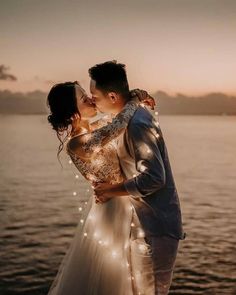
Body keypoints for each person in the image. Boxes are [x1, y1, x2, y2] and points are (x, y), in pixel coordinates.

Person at [46, 80, 155, 295]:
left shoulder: (97, 127)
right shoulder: (75, 143)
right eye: (82, 98)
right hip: (111, 209)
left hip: (124, 199)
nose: (90, 98)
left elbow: (119, 115)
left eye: (86, 94)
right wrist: (134, 98)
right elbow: (120, 124)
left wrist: (136, 95)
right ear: (72, 111)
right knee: (112, 275)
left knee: (133, 271)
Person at [90, 61, 186, 295]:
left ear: (112, 96)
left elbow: (154, 178)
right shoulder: (126, 118)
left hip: (155, 228)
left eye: (94, 95)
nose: (92, 100)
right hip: (143, 227)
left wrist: (109, 190)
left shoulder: (137, 124)